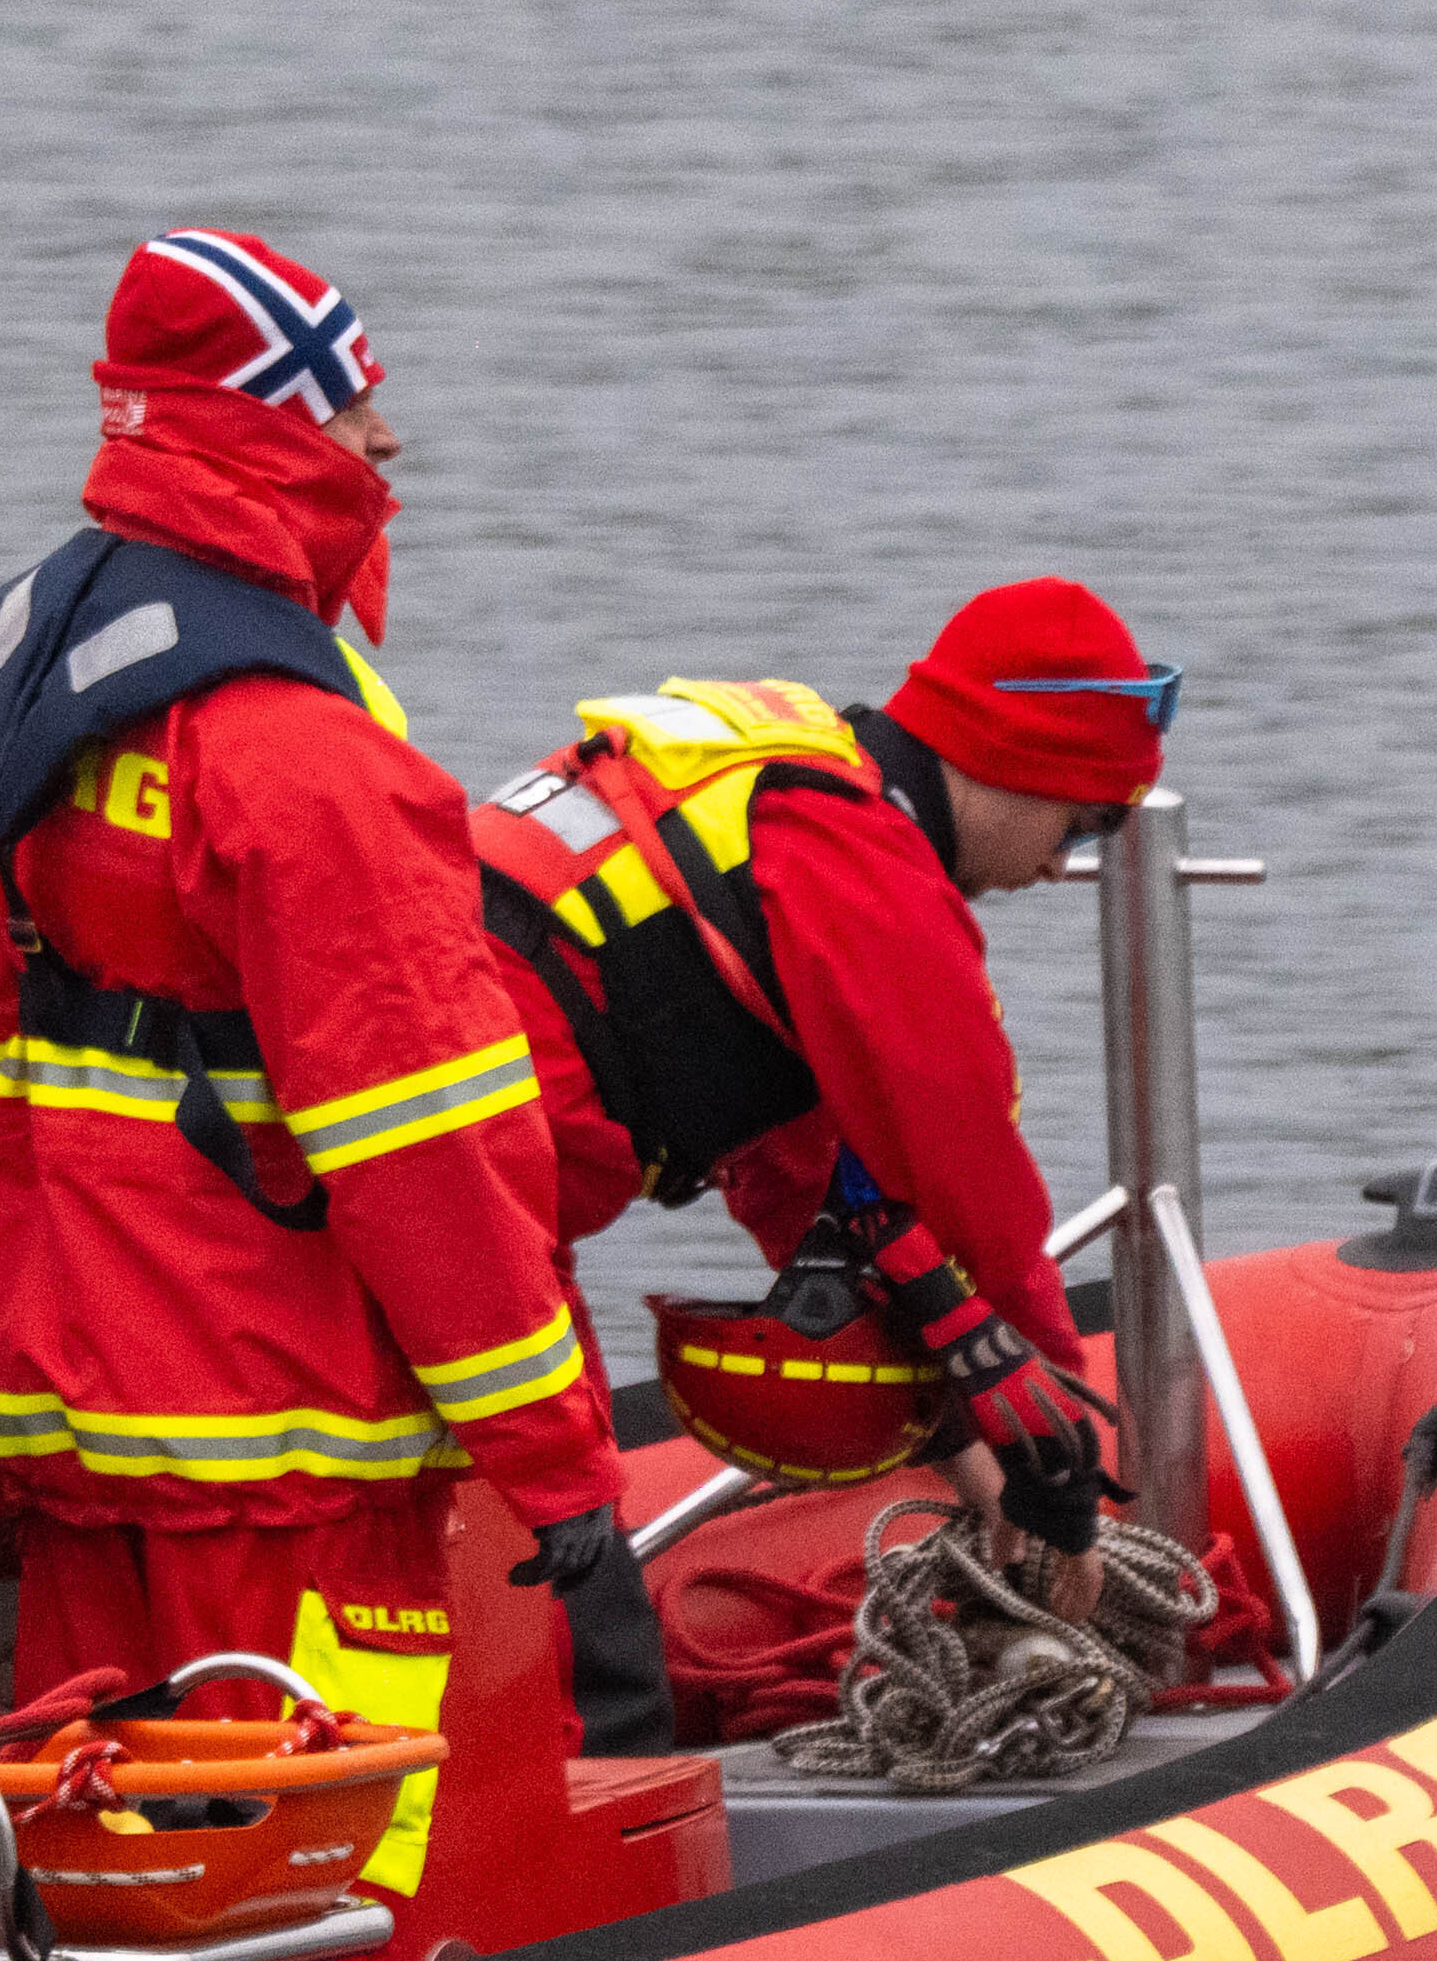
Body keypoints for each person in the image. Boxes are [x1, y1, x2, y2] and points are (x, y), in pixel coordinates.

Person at [0, 230, 658, 1961]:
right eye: (353, 399)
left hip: (79, 1383)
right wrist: (565, 1482)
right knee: (307, 1899)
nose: (388, 441)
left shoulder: (38, 651)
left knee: (114, 1872)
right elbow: (428, 1147)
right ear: (267, 425)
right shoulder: (297, 747)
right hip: (282, 1428)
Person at [469, 586, 1176, 1552]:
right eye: (1083, 827)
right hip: (458, 1182)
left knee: (561, 1557)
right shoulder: (869, 874)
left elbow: (799, 1173)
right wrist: (1059, 1480)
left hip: (422, 1139)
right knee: (580, 1590)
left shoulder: (804, 789)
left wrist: (971, 1458)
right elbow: (975, 1188)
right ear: (1020, 765)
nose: (1062, 868)